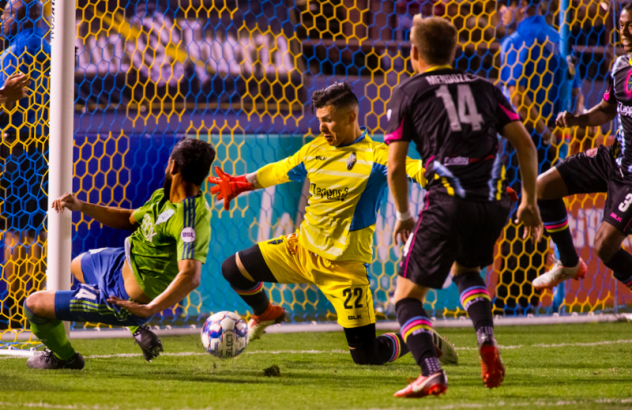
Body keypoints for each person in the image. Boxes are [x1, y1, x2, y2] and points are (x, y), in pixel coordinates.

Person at [208, 82, 458, 367]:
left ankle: (417, 337)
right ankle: (264, 312)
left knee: (367, 356)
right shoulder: (315, 149)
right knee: (233, 269)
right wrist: (240, 184)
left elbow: (415, 170)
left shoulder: (374, 155)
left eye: (328, 120)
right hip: (300, 250)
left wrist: (470, 184)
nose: (322, 127)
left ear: (351, 116)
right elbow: (278, 170)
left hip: (345, 269)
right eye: (319, 120)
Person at [385, 16, 542, 398]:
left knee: (406, 298)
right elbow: (525, 145)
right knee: (467, 270)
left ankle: (431, 372)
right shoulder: (487, 88)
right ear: (454, 51)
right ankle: (486, 339)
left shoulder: (408, 91)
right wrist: (529, 201)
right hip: (491, 206)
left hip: (446, 204)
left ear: (414, 52)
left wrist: (405, 215)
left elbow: (393, 167)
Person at [23, 138, 215, 369]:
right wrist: (82, 206)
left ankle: (66, 358)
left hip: (123, 294)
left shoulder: (190, 219)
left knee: (33, 304)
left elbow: (191, 276)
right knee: (76, 265)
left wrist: (149, 309)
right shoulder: (164, 197)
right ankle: (137, 329)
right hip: (119, 263)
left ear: (173, 166)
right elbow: (130, 219)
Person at [533, 2, 632, 293]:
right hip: (612, 158)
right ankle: (568, 261)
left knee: (604, 246)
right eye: (622, 24)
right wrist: (576, 120)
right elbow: (606, 110)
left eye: (631, 25)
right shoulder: (620, 66)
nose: (624, 31)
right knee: (543, 187)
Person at [497, 0, 586, 313]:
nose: (499, 13)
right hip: (551, 144)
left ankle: (508, 299)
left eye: (503, 6)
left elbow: (516, 97)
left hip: (521, 142)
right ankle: (528, 298)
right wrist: (558, 135)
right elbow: (577, 95)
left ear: (520, 6)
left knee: (516, 216)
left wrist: (541, 132)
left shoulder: (515, 42)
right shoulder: (558, 39)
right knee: (543, 215)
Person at [0, 0, 50, 329]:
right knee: (37, 230)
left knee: (17, 232)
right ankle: (33, 301)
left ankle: (14, 306)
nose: (3, 16)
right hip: (44, 148)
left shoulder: (16, 51)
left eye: (6, 9)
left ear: (20, 13)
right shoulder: (47, 47)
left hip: (18, 149)